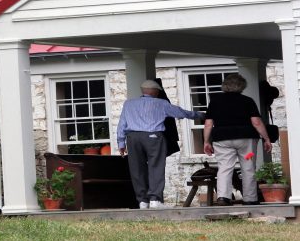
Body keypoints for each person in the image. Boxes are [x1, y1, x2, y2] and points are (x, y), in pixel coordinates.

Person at [117, 80, 204, 209]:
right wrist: (201, 115)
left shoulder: (128, 104)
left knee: (137, 169)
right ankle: (155, 200)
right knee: (155, 167)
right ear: (156, 91)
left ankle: (142, 201)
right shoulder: (162, 103)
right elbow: (181, 113)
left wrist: (121, 143)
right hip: (153, 137)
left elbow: (122, 124)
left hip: (133, 138)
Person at [203, 73, 272, 206]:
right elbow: (256, 122)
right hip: (246, 141)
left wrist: (206, 141)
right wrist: (266, 138)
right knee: (248, 167)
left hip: (222, 140)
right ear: (242, 86)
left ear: (225, 86)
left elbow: (208, 124)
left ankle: (223, 197)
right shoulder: (247, 101)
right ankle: (250, 199)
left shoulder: (215, 101)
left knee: (224, 168)